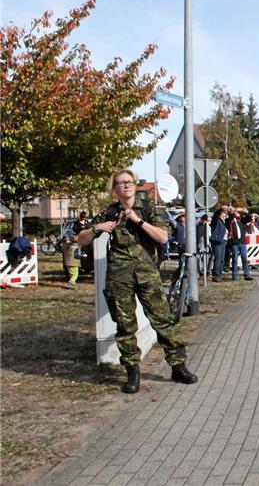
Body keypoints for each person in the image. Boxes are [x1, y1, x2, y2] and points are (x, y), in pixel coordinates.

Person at [76, 168, 197, 393]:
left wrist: (138, 220)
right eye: (120, 183)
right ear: (115, 189)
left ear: (135, 185)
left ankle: (178, 366)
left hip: (147, 275)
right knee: (124, 325)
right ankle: (132, 373)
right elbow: (80, 239)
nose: (126, 185)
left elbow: (162, 237)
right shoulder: (109, 212)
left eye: (129, 181)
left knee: (163, 321)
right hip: (119, 277)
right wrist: (97, 228)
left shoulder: (149, 209)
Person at [226, 210, 253, 281]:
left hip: (242, 242)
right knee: (234, 259)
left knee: (244, 258)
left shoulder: (241, 221)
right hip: (234, 243)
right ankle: (234, 275)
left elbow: (249, 219)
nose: (238, 214)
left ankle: (246, 275)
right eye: (237, 213)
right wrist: (233, 212)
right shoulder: (230, 221)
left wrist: (247, 212)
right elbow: (229, 219)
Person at [61, 219, 81, 289]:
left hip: (68, 261)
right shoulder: (73, 243)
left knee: (72, 273)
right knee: (75, 274)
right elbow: (75, 240)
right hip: (72, 261)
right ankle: (71, 283)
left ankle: (72, 284)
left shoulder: (66, 241)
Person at [209, 208, 228, 282]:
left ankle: (219, 274)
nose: (224, 216)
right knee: (218, 259)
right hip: (217, 242)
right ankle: (216, 276)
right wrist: (221, 209)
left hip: (223, 242)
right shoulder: (216, 221)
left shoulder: (223, 222)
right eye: (222, 215)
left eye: (225, 215)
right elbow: (216, 215)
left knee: (221, 260)